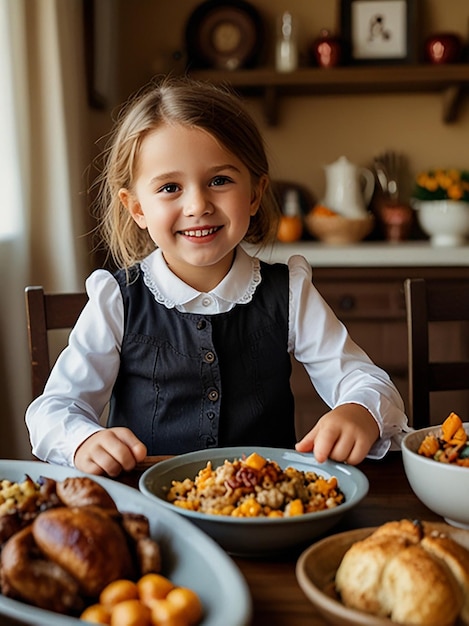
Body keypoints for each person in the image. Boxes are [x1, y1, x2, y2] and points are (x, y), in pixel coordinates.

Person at [26, 76, 409, 476]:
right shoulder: (116, 300)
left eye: (219, 181)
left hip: (268, 511)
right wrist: (83, 440)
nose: (197, 205)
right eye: (170, 187)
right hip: (152, 513)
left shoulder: (290, 291)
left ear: (255, 194)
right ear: (136, 208)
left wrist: (358, 409)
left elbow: (365, 380)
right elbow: (52, 411)